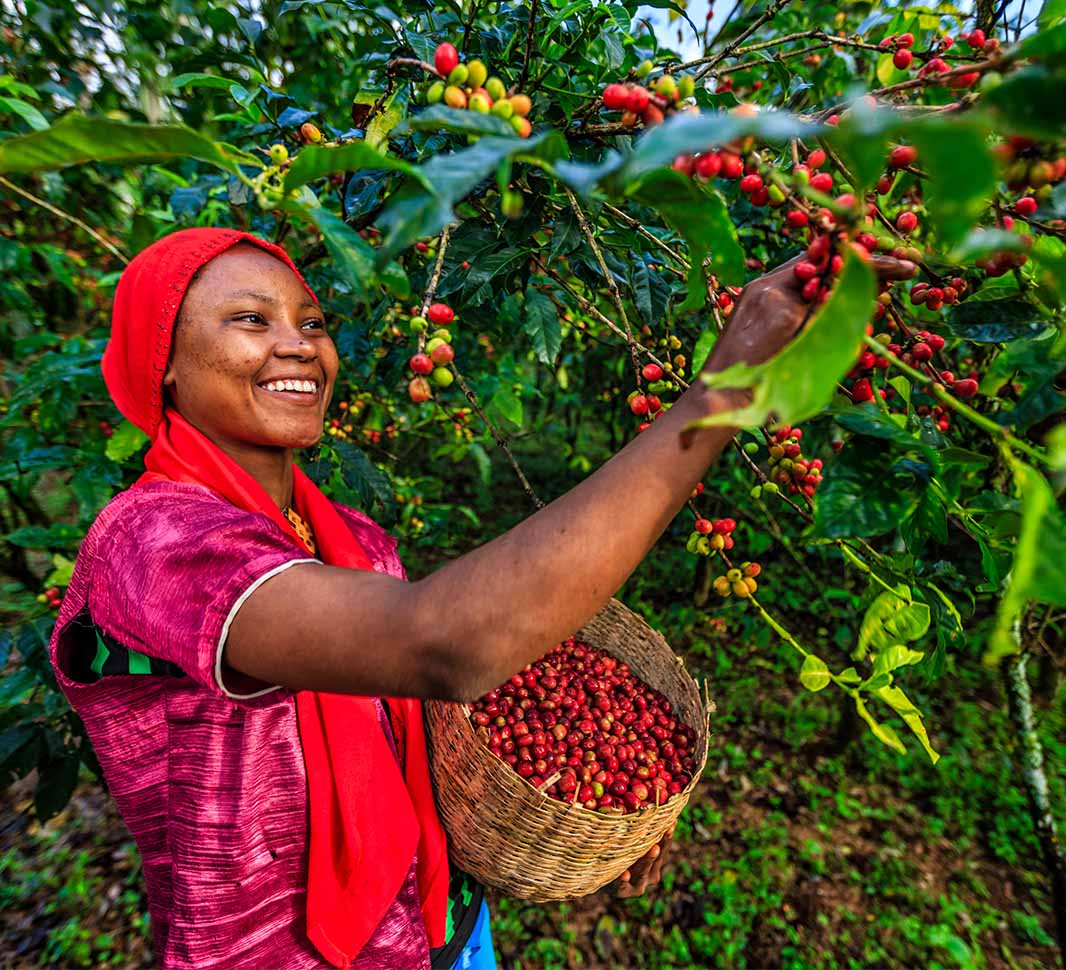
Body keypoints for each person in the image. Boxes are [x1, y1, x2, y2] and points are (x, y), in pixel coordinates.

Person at [47, 227, 915, 968]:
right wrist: (724, 388)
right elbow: (445, 645)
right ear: (161, 365)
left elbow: (412, 727)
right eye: (250, 320)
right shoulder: (150, 544)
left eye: (312, 322)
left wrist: (595, 811)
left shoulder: (352, 536)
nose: (300, 345)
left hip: (441, 927)